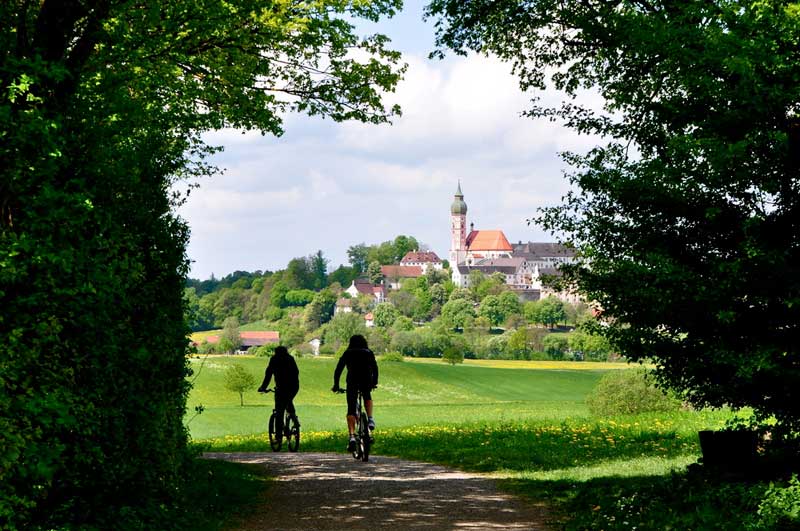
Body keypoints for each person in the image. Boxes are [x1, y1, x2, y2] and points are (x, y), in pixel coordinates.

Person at [332, 334, 378, 452]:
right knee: (367, 395)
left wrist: (336, 385)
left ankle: (352, 436)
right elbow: (375, 368)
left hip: (352, 381)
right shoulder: (368, 352)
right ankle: (371, 418)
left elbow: (338, 370)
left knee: (351, 408)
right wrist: (374, 382)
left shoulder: (348, 353)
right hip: (366, 380)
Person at [257, 346, 299, 437]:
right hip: (294, 386)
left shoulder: (274, 359)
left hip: (281, 387)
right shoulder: (290, 358)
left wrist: (263, 387)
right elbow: (296, 372)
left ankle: (278, 436)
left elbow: (268, 374)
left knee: (279, 411)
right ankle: (293, 417)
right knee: (288, 400)